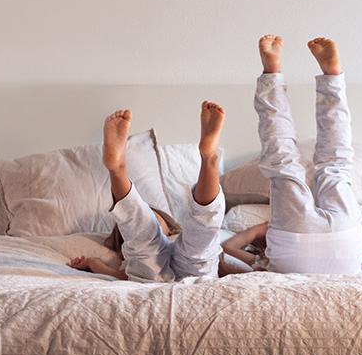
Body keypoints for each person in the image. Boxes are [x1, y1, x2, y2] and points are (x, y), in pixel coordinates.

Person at [221, 36, 362, 274]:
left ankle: (333, 78)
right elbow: (225, 253)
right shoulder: (268, 265)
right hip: (295, 236)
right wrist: (262, 232)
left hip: (344, 234)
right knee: (283, 165)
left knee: (335, 164)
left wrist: (258, 233)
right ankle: (272, 73)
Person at [69, 101, 237, 282]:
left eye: (151, 216)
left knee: (197, 235)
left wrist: (96, 264)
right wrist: (96, 264)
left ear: (169, 224)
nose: (151, 222)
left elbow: (225, 266)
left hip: (154, 277)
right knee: (199, 234)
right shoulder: (132, 253)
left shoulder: (178, 236)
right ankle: (208, 157)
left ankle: (118, 168)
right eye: (148, 217)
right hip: (196, 275)